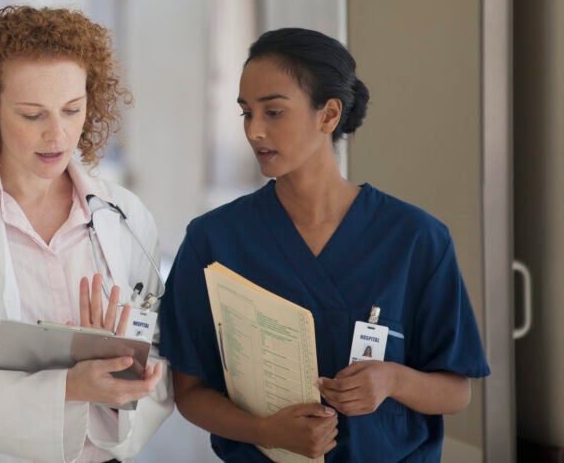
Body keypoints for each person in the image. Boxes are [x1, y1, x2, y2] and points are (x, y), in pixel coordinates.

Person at [158, 28, 490, 462]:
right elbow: (190, 392)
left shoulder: (416, 239)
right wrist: (265, 430)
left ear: (329, 115)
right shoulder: (213, 240)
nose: (254, 131)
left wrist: (393, 380)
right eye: (245, 113)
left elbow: (456, 390)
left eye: (273, 112)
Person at [0, 5, 173, 463]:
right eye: (32, 115)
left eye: (72, 110)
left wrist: (120, 372)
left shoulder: (125, 218)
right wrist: (68, 386)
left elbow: (158, 352)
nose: (57, 134)